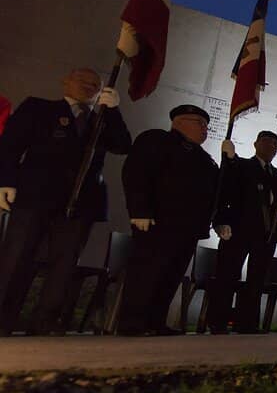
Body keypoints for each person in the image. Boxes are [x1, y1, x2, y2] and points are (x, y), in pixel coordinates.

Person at [0, 68, 130, 335]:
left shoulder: (101, 121)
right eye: (82, 80)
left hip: (79, 203)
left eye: (95, 84)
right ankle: (3, 318)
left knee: (63, 265)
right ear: (66, 82)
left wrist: (113, 111)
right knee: (17, 259)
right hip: (35, 197)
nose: (88, 86)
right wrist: (6, 180)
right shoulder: (39, 108)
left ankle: (45, 323)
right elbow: (10, 145)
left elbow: (122, 145)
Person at [119, 104, 219, 336]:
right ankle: (132, 322)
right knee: (146, 272)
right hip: (158, 222)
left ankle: (156, 321)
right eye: (199, 123)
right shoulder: (156, 140)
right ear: (179, 122)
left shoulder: (204, 159)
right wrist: (139, 210)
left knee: (171, 275)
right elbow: (137, 173)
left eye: (206, 126)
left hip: (188, 227)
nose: (204, 130)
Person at [208, 130, 277, 334]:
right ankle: (218, 322)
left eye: (274, 145)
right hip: (238, 229)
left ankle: (247, 323)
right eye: (266, 142)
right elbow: (225, 190)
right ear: (255, 144)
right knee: (227, 275)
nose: (270, 147)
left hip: (266, 233)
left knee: (257, 280)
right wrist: (220, 221)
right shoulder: (242, 166)